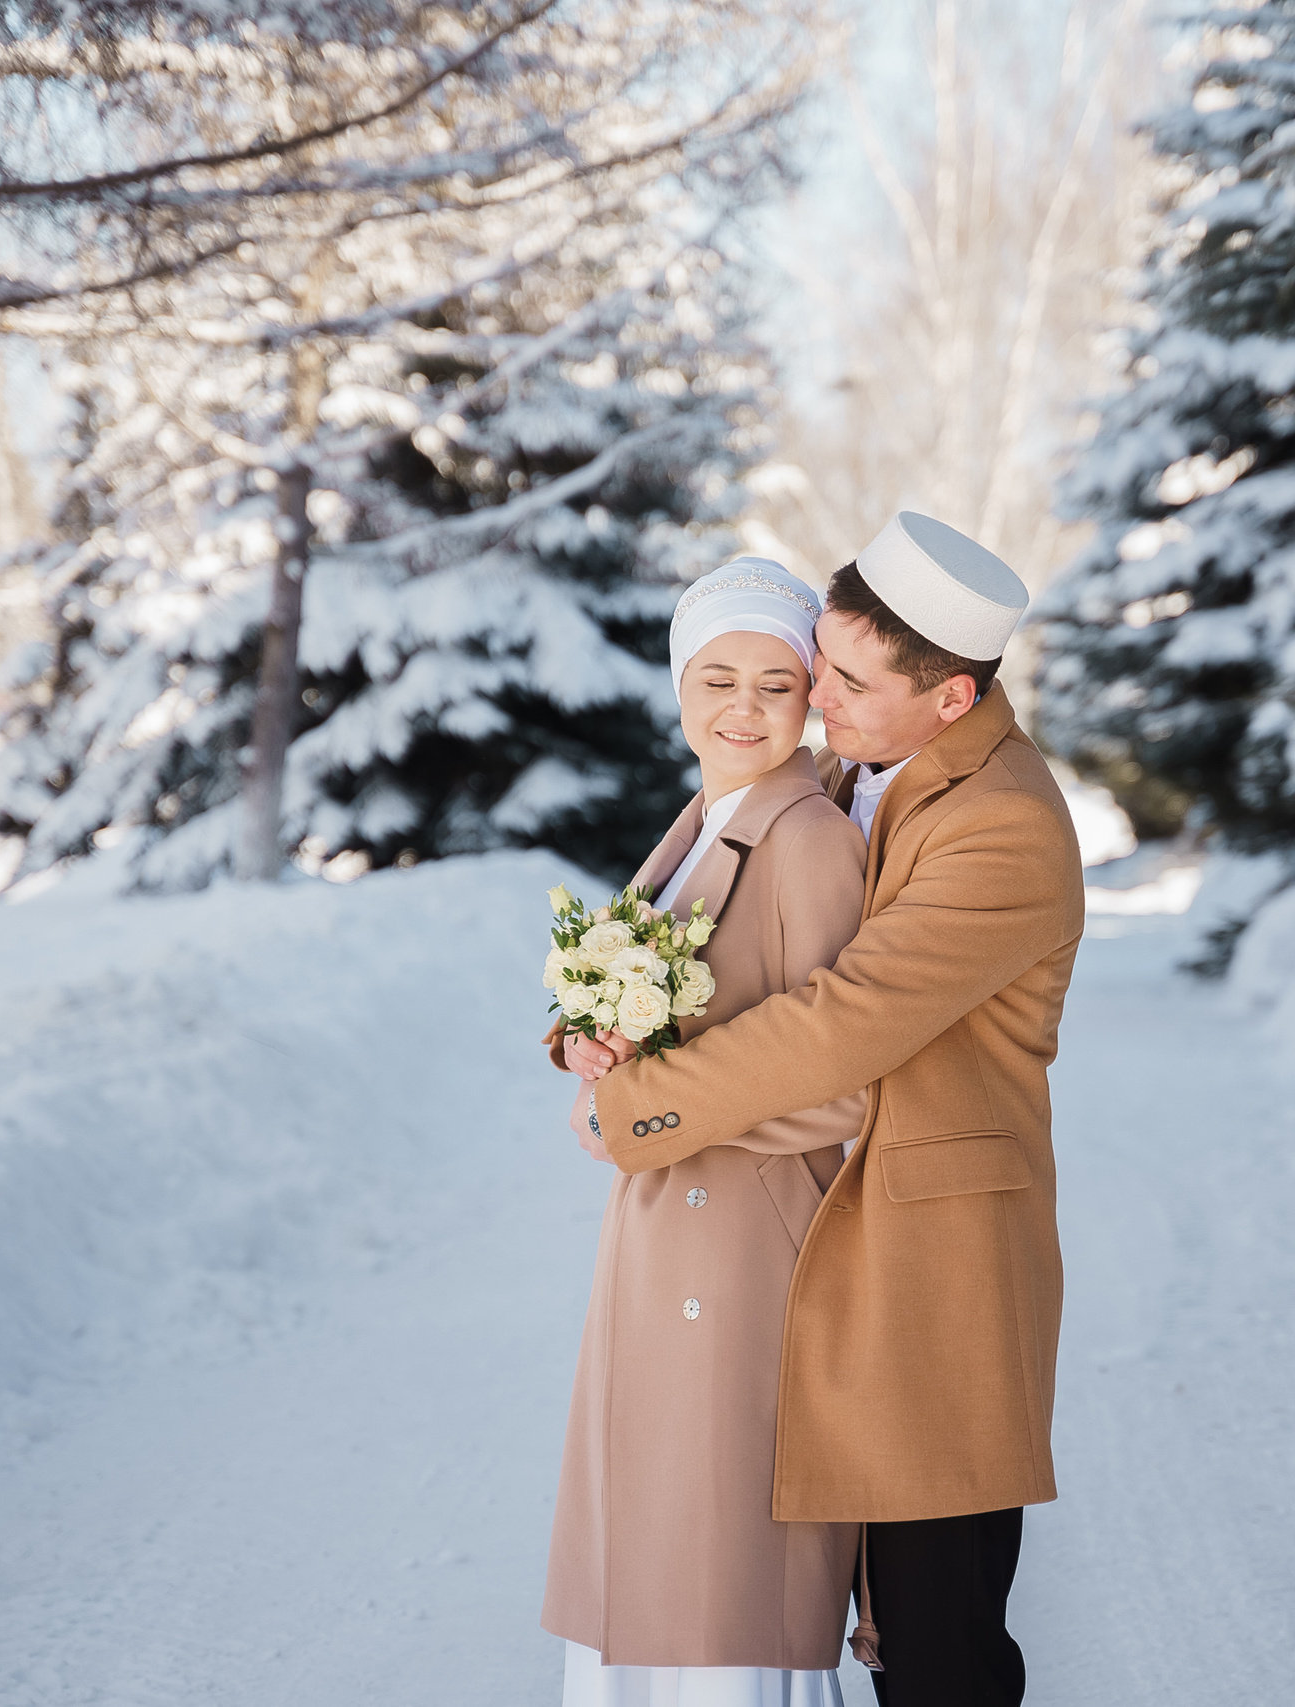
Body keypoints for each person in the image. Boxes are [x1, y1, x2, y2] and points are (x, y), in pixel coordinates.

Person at [567, 512, 1084, 1707]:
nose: (815, 693)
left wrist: (641, 1107)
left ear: (949, 699)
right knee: (827, 1606)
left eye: (843, 679)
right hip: (818, 1229)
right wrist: (600, 1020)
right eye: (822, 658)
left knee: (932, 1633)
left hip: (930, 1260)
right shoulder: (864, 758)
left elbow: (839, 1021)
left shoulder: (1002, 825)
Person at [543, 557, 871, 1707]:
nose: (743, 708)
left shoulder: (809, 839)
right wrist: (593, 1048)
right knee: (652, 1559)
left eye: (775, 686)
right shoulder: (705, 821)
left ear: (812, 699)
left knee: (717, 1583)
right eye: (717, 677)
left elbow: (849, 1085)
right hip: (666, 1238)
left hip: (741, 1252)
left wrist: (657, 1111)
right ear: (679, 685)